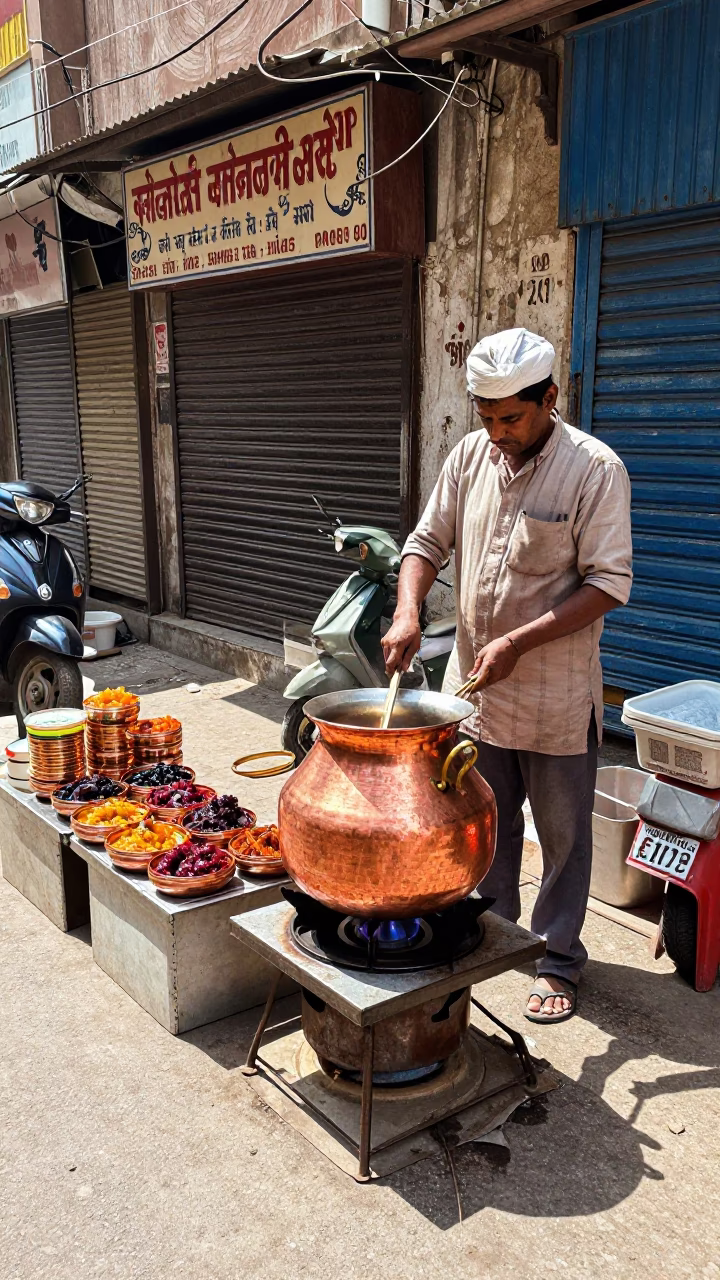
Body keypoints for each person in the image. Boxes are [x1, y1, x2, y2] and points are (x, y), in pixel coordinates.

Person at [382, 327, 633, 1023]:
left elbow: (611, 583)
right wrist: (407, 611)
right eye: (487, 418)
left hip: (554, 696)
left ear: (551, 398)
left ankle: (557, 959)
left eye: (512, 418)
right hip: (475, 695)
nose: (497, 433)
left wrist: (520, 641)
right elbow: (426, 542)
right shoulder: (471, 456)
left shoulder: (594, 469)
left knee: (563, 837)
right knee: (481, 825)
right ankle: (493, 934)